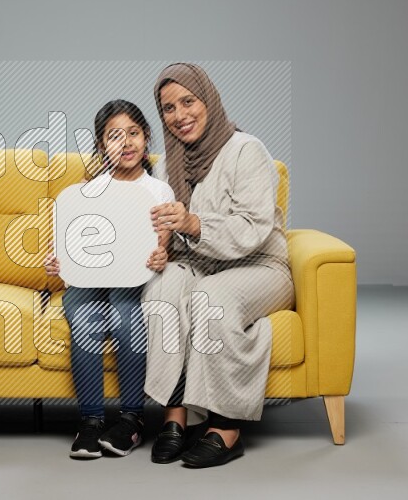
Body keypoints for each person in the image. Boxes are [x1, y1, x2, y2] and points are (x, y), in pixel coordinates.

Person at [143, 63, 295, 468]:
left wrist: (192, 222)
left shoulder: (247, 150)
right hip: (200, 263)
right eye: (169, 108)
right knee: (163, 287)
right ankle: (176, 415)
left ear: (208, 99)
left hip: (260, 266)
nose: (180, 115)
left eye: (188, 101)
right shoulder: (166, 165)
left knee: (211, 297)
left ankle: (227, 428)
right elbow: (170, 238)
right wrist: (161, 250)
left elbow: (253, 228)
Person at [43, 99, 173, 459]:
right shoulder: (90, 189)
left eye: (133, 133)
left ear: (146, 137)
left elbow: (161, 244)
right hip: (89, 281)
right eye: (114, 136)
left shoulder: (158, 190)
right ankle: (90, 422)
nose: (126, 143)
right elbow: (68, 242)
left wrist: (161, 254)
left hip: (131, 280)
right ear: (102, 146)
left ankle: (131, 419)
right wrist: (56, 262)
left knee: (126, 311)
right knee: (83, 315)